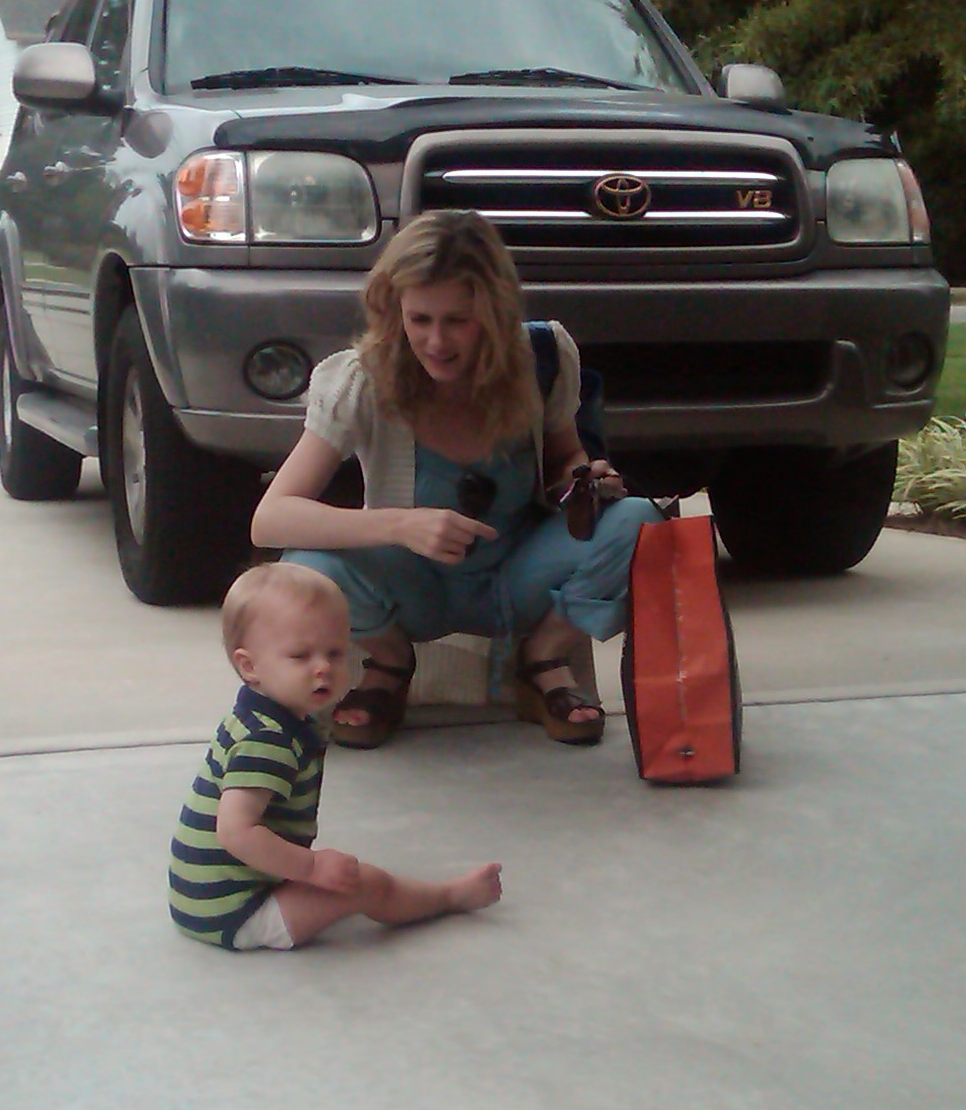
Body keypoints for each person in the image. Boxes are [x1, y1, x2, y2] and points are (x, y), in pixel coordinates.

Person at [252, 209, 661, 749]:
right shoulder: (361, 378)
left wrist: (582, 481)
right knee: (304, 567)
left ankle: (541, 659)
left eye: (458, 320)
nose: (436, 341)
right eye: (419, 319)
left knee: (639, 522)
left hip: (516, 575)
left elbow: (566, 455)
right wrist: (400, 525)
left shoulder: (541, 357)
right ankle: (390, 662)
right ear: (394, 309)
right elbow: (271, 518)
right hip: (412, 588)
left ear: (494, 312)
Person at [168, 562, 504, 952]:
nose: (323, 668)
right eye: (300, 655)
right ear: (250, 666)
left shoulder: (263, 715)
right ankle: (449, 896)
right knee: (366, 884)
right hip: (234, 911)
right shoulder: (266, 739)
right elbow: (235, 832)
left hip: (211, 898)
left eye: (335, 652)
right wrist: (310, 867)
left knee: (345, 877)